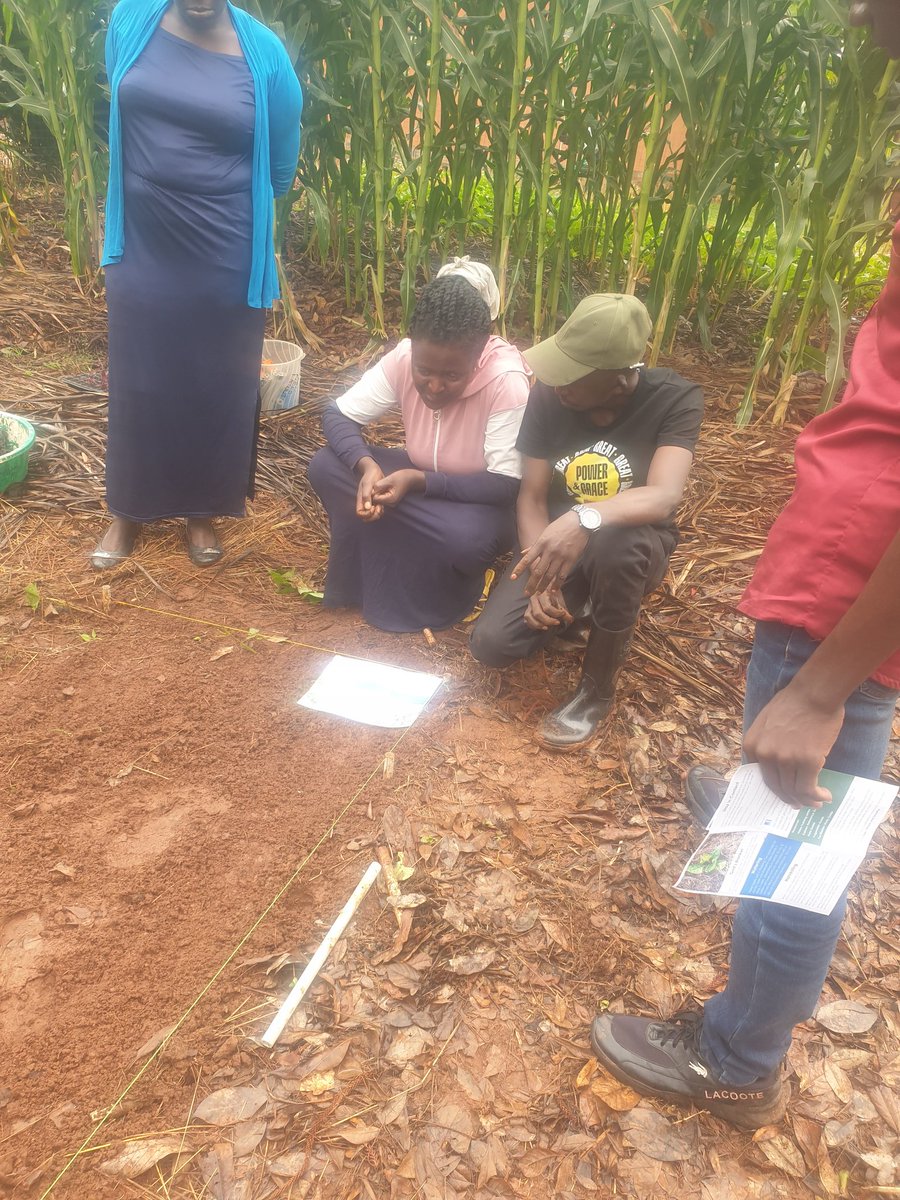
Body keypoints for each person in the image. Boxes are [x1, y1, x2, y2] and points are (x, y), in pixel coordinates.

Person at [589, 0, 900, 1131]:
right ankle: (775, 792)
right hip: (850, 567)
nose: (861, 12)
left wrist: (822, 690)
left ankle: (737, 1057)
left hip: (853, 599)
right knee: (789, 796)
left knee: (798, 835)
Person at [92, 0, 303, 570]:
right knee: (140, 372)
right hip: (142, 237)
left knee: (215, 376)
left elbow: (281, 166)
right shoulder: (130, 19)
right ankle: (127, 510)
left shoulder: (265, 54)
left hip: (223, 244)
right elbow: (123, 102)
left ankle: (202, 511)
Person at [469, 294, 704, 750]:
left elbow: (663, 495)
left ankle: (596, 689)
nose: (558, 383)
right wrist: (541, 582)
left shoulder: (675, 399)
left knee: (620, 547)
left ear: (618, 381)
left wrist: (585, 516)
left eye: (574, 374)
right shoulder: (550, 397)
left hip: (630, 540)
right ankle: (576, 605)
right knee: (492, 645)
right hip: (554, 544)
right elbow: (533, 497)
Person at [307, 266, 530, 632]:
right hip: (424, 489)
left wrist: (417, 481)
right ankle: (377, 560)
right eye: (424, 371)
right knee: (326, 465)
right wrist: (367, 468)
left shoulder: (506, 382)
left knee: (466, 541)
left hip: (479, 501)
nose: (435, 386)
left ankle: (423, 559)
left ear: (478, 358)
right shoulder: (405, 356)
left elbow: (506, 483)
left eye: (453, 376)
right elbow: (337, 415)